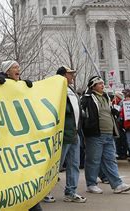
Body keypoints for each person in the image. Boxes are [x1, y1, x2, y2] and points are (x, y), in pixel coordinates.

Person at [0, 61, 39, 210]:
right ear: (7, 71)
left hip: (22, 137)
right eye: (15, 67)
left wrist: (27, 89)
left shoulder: (21, 85)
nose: (18, 70)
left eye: (18, 67)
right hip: (7, 138)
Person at [81, 76, 130, 194]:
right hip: (95, 134)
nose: (102, 85)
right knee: (93, 160)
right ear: (93, 86)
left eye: (102, 83)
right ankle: (91, 184)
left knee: (110, 159)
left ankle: (117, 184)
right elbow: (82, 111)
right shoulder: (87, 98)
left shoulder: (106, 97)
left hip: (109, 134)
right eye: (99, 83)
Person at [45, 66, 86, 203]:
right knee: (56, 165)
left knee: (74, 164)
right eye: (70, 74)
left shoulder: (71, 90)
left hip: (74, 133)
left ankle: (71, 192)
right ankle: (44, 192)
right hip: (63, 134)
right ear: (63, 76)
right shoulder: (57, 89)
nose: (72, 76)